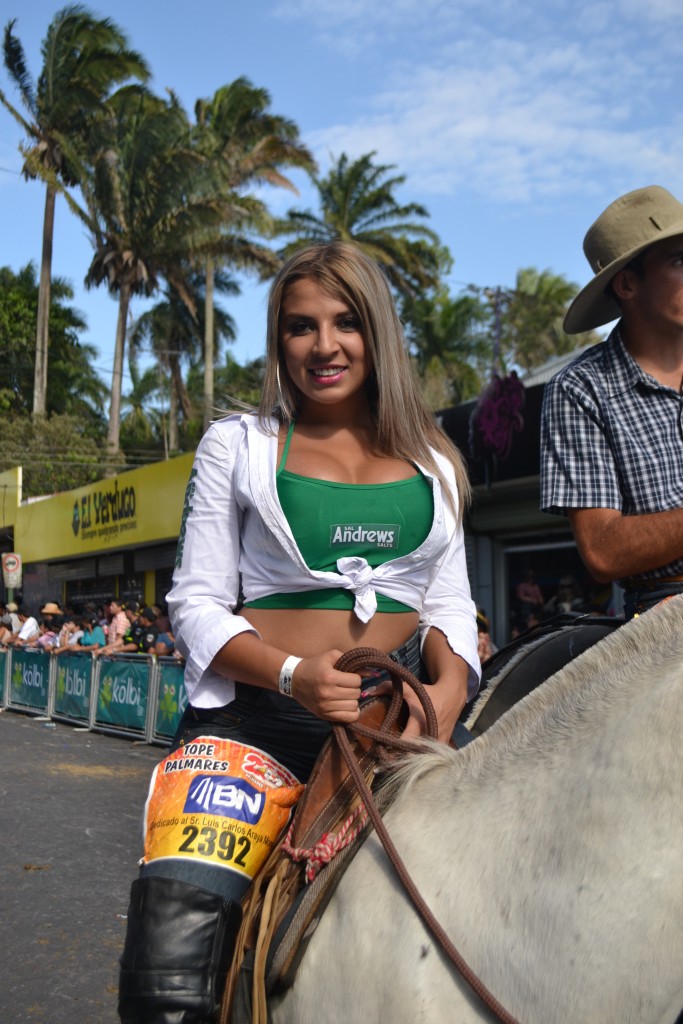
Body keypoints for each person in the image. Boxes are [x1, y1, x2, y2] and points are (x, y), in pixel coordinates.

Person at [118, 240, 480, 1024]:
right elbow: (197, 606)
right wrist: (291, 675)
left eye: (345, 322)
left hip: (399, 732)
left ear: (376, 332)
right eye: (299, 326)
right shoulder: (238, 445)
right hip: (254, 733)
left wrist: (448, 691)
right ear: (277, 341)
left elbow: (447, 605)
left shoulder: (436, 464)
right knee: (165, 984)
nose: (323, 346)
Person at [541, 185, 683, 619]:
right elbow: (603, 552)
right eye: (679, 261)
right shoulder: (580, 389)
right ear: (626, 283)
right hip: (666, 621)